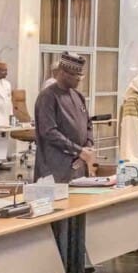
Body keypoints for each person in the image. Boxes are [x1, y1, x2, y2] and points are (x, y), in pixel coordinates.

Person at [34, 53, 94, 182]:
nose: (79, 79)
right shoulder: (48, 97)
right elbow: (49, 132)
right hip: (55, 167)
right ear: (62, 73)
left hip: (79, 164)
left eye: (81, 76)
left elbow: (88, 125)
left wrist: (87, 148)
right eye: (75, 75)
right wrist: (78, 151)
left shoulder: (78, 96)